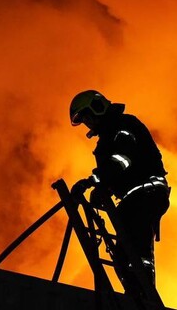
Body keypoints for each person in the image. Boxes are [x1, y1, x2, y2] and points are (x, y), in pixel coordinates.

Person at [68, 90, 170, 294]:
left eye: (87, 116)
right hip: (133, 197)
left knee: (138, 252)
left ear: (98, 107)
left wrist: (93, 181)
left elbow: (123, 159)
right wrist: (102, 190)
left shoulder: (124, 125)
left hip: (146, 192)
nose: (88, 123)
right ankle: (136, 292)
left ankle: (143, 293)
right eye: (84, 120)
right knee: (123, 255)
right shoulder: (106, 138)